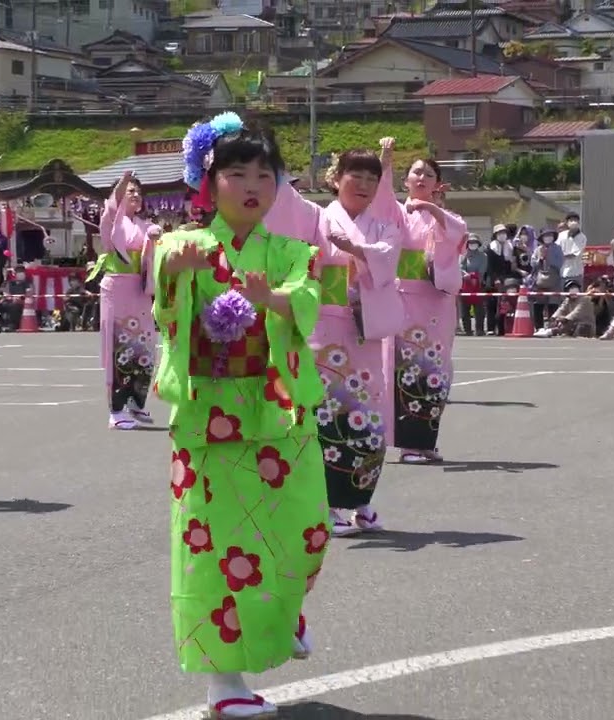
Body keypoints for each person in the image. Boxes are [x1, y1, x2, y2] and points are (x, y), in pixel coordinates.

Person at [153, 112, 328, 719]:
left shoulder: (292, 251)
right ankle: (223, 684)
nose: (253, 185)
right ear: (209, 182)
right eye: (237, 173)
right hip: (210, 415)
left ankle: (284, 609)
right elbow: (163, 287)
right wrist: (174, 272)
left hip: (277, 408)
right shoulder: (185, 245)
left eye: (264, 174)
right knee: (216, 548)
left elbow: (306, 297)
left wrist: (269, 298)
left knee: (307, 528)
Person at [317, 148, 402, 536]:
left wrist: (352, 248)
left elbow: (388, 257)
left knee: (368, 414)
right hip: (323, 329)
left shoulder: (383, 226)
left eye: (372, 178)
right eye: (357, 176)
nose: (365, 184)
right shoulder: (317, 219)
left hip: (365, 328)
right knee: (328, 413)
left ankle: (361, 500)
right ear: (337, 178)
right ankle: (328, 504)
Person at [373, 138, 467, 464]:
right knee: (407, 369)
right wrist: (385, 158)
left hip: (436, 302)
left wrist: (430, 209)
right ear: (406, 181)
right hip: (404, 301)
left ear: (437, 184)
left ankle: (426, 441)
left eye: (429, 174)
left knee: (435, 369)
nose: (422, 177)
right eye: (416, 172)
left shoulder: (445, 216)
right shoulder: (397, 213)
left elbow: (457, 233)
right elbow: (380, 196)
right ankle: (409, 445)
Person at [96, 170, 158, 429]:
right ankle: (116, 409)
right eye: (130, 191)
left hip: (139, 288)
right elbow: (114, 202)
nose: (136, 195)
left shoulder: (144, 225)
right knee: (120, 345)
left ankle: (136, 402)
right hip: (117, 288)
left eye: (138, 192)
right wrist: (122, 182)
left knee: (144, 344)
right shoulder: (112, 218)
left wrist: (154, 240)